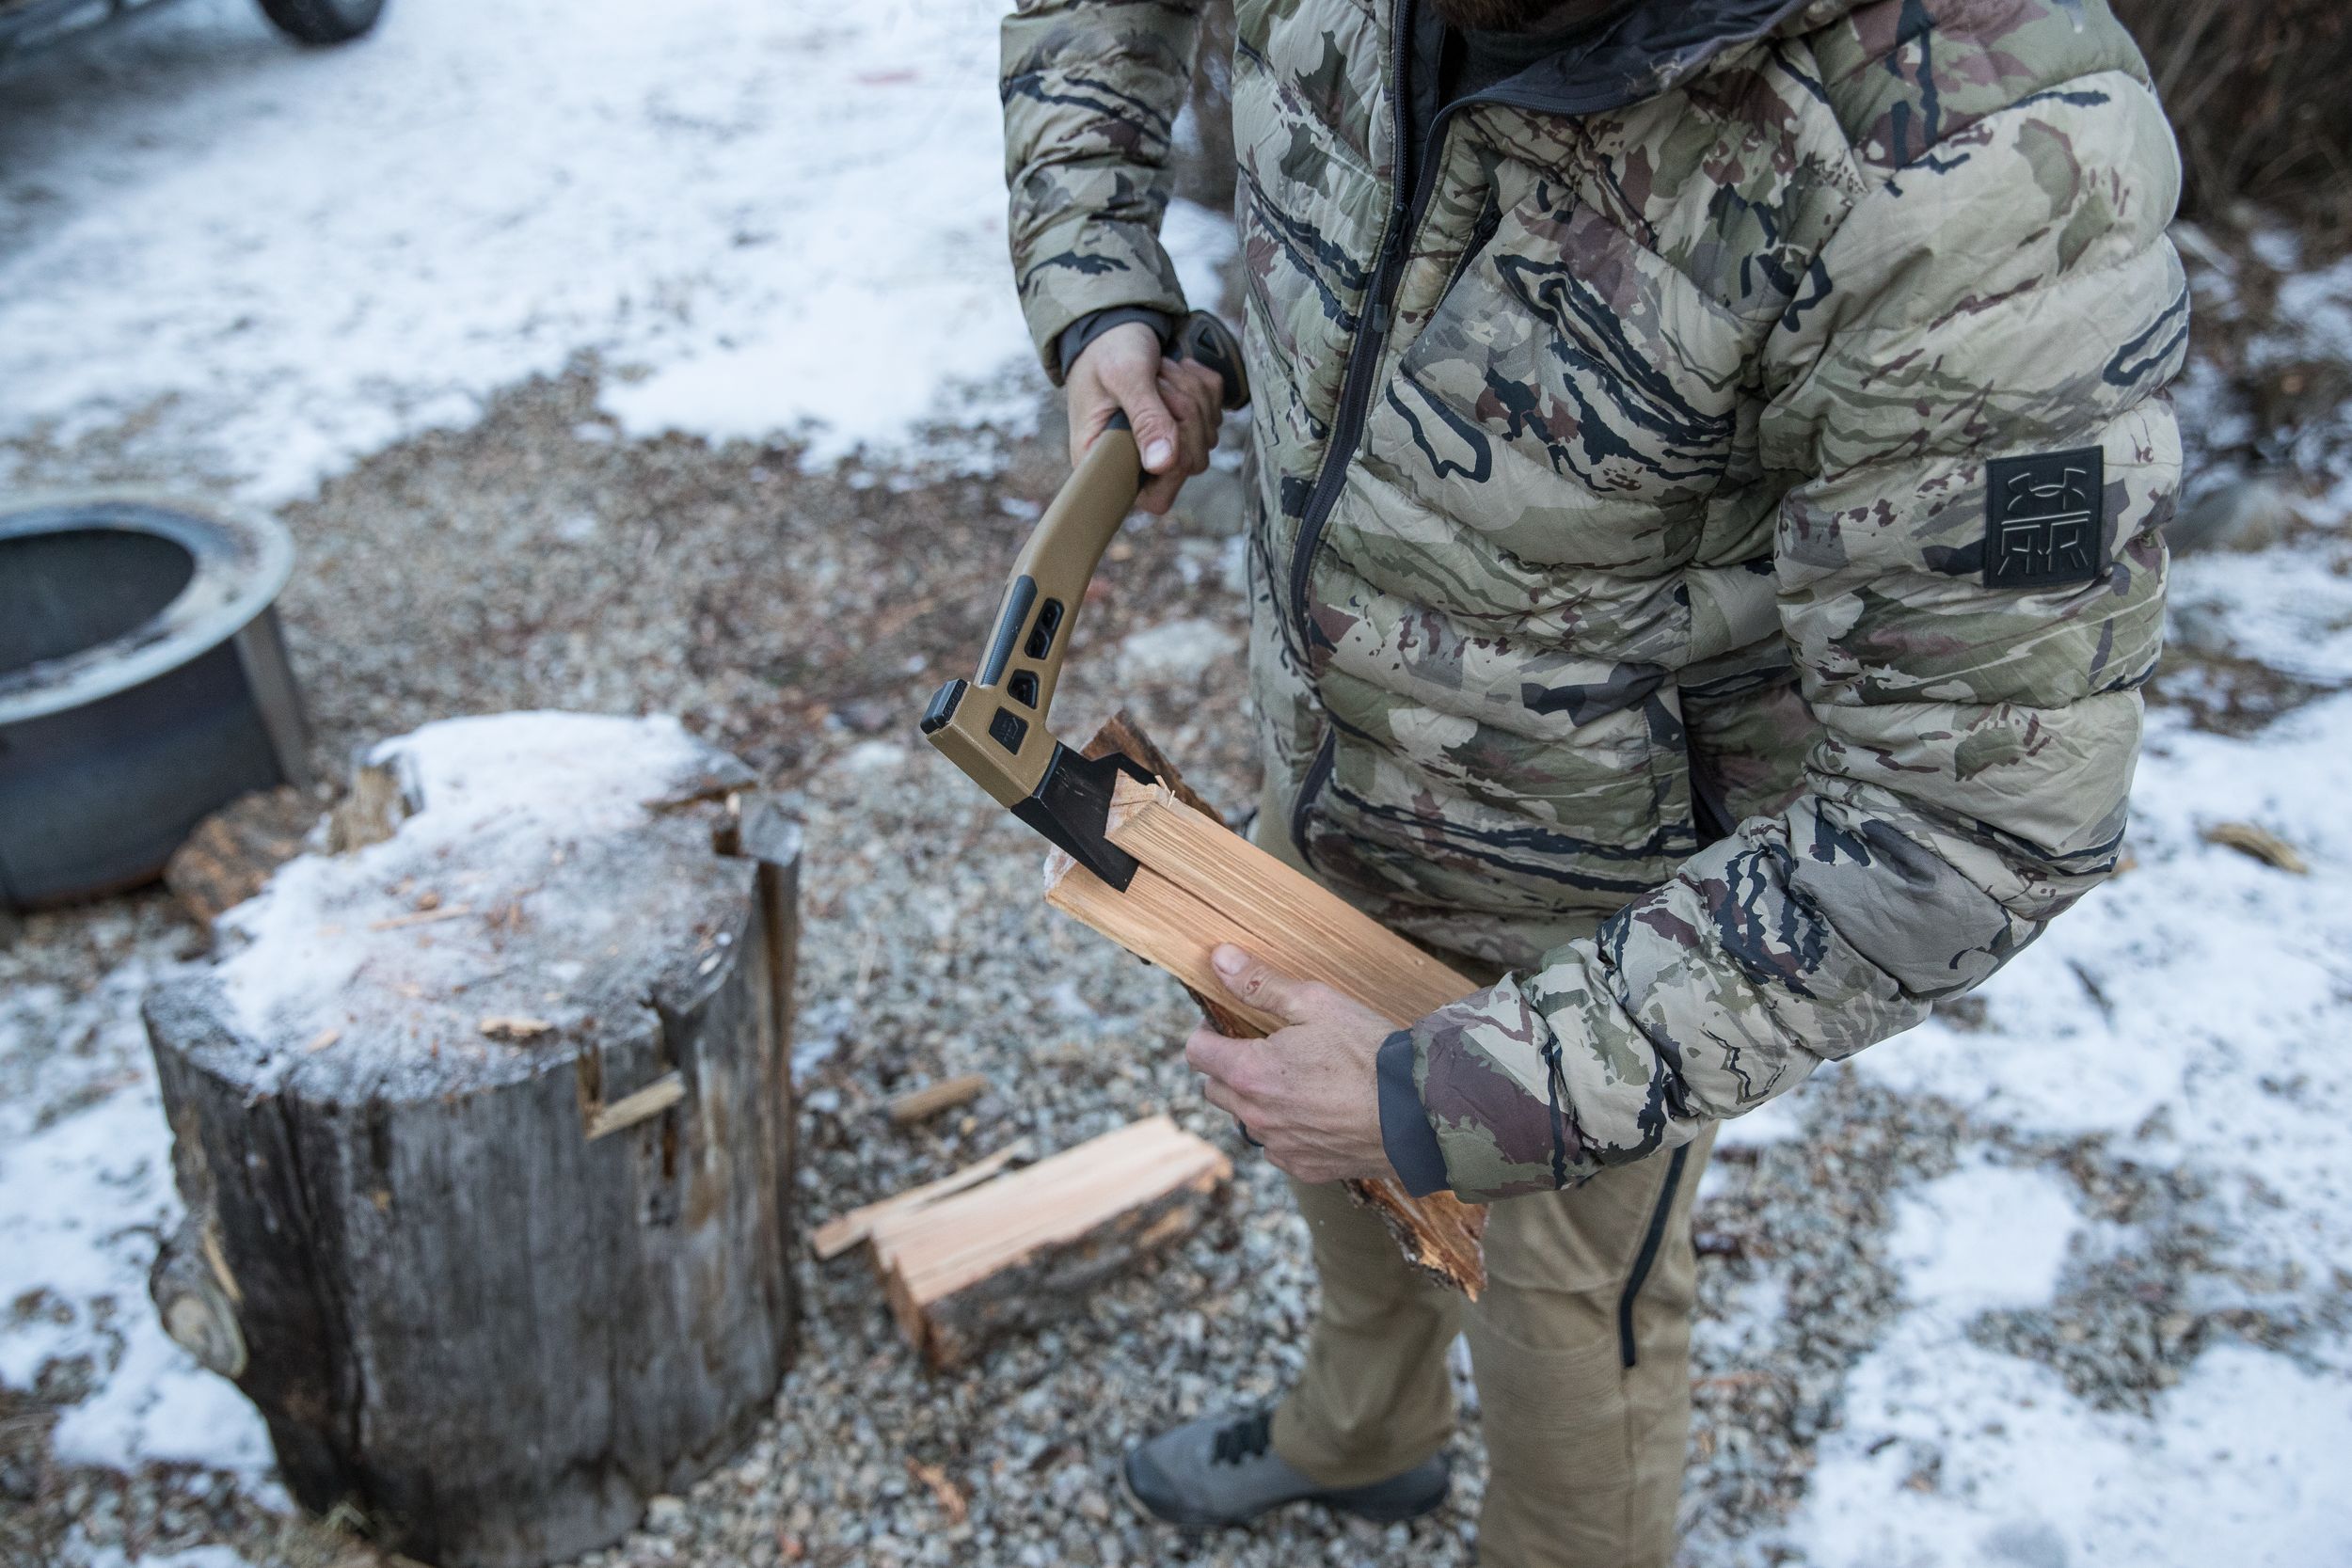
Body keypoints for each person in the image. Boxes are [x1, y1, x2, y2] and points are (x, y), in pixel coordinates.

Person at [999, 0, 2185, 1561]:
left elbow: (1972, 822)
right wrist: (1100, 287)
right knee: (1324, 1136)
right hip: (1331, 748)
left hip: (1603, 911)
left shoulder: (1980, 158)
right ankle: (1365, 1436)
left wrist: (1461, 1090)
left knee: (1562, 1305)